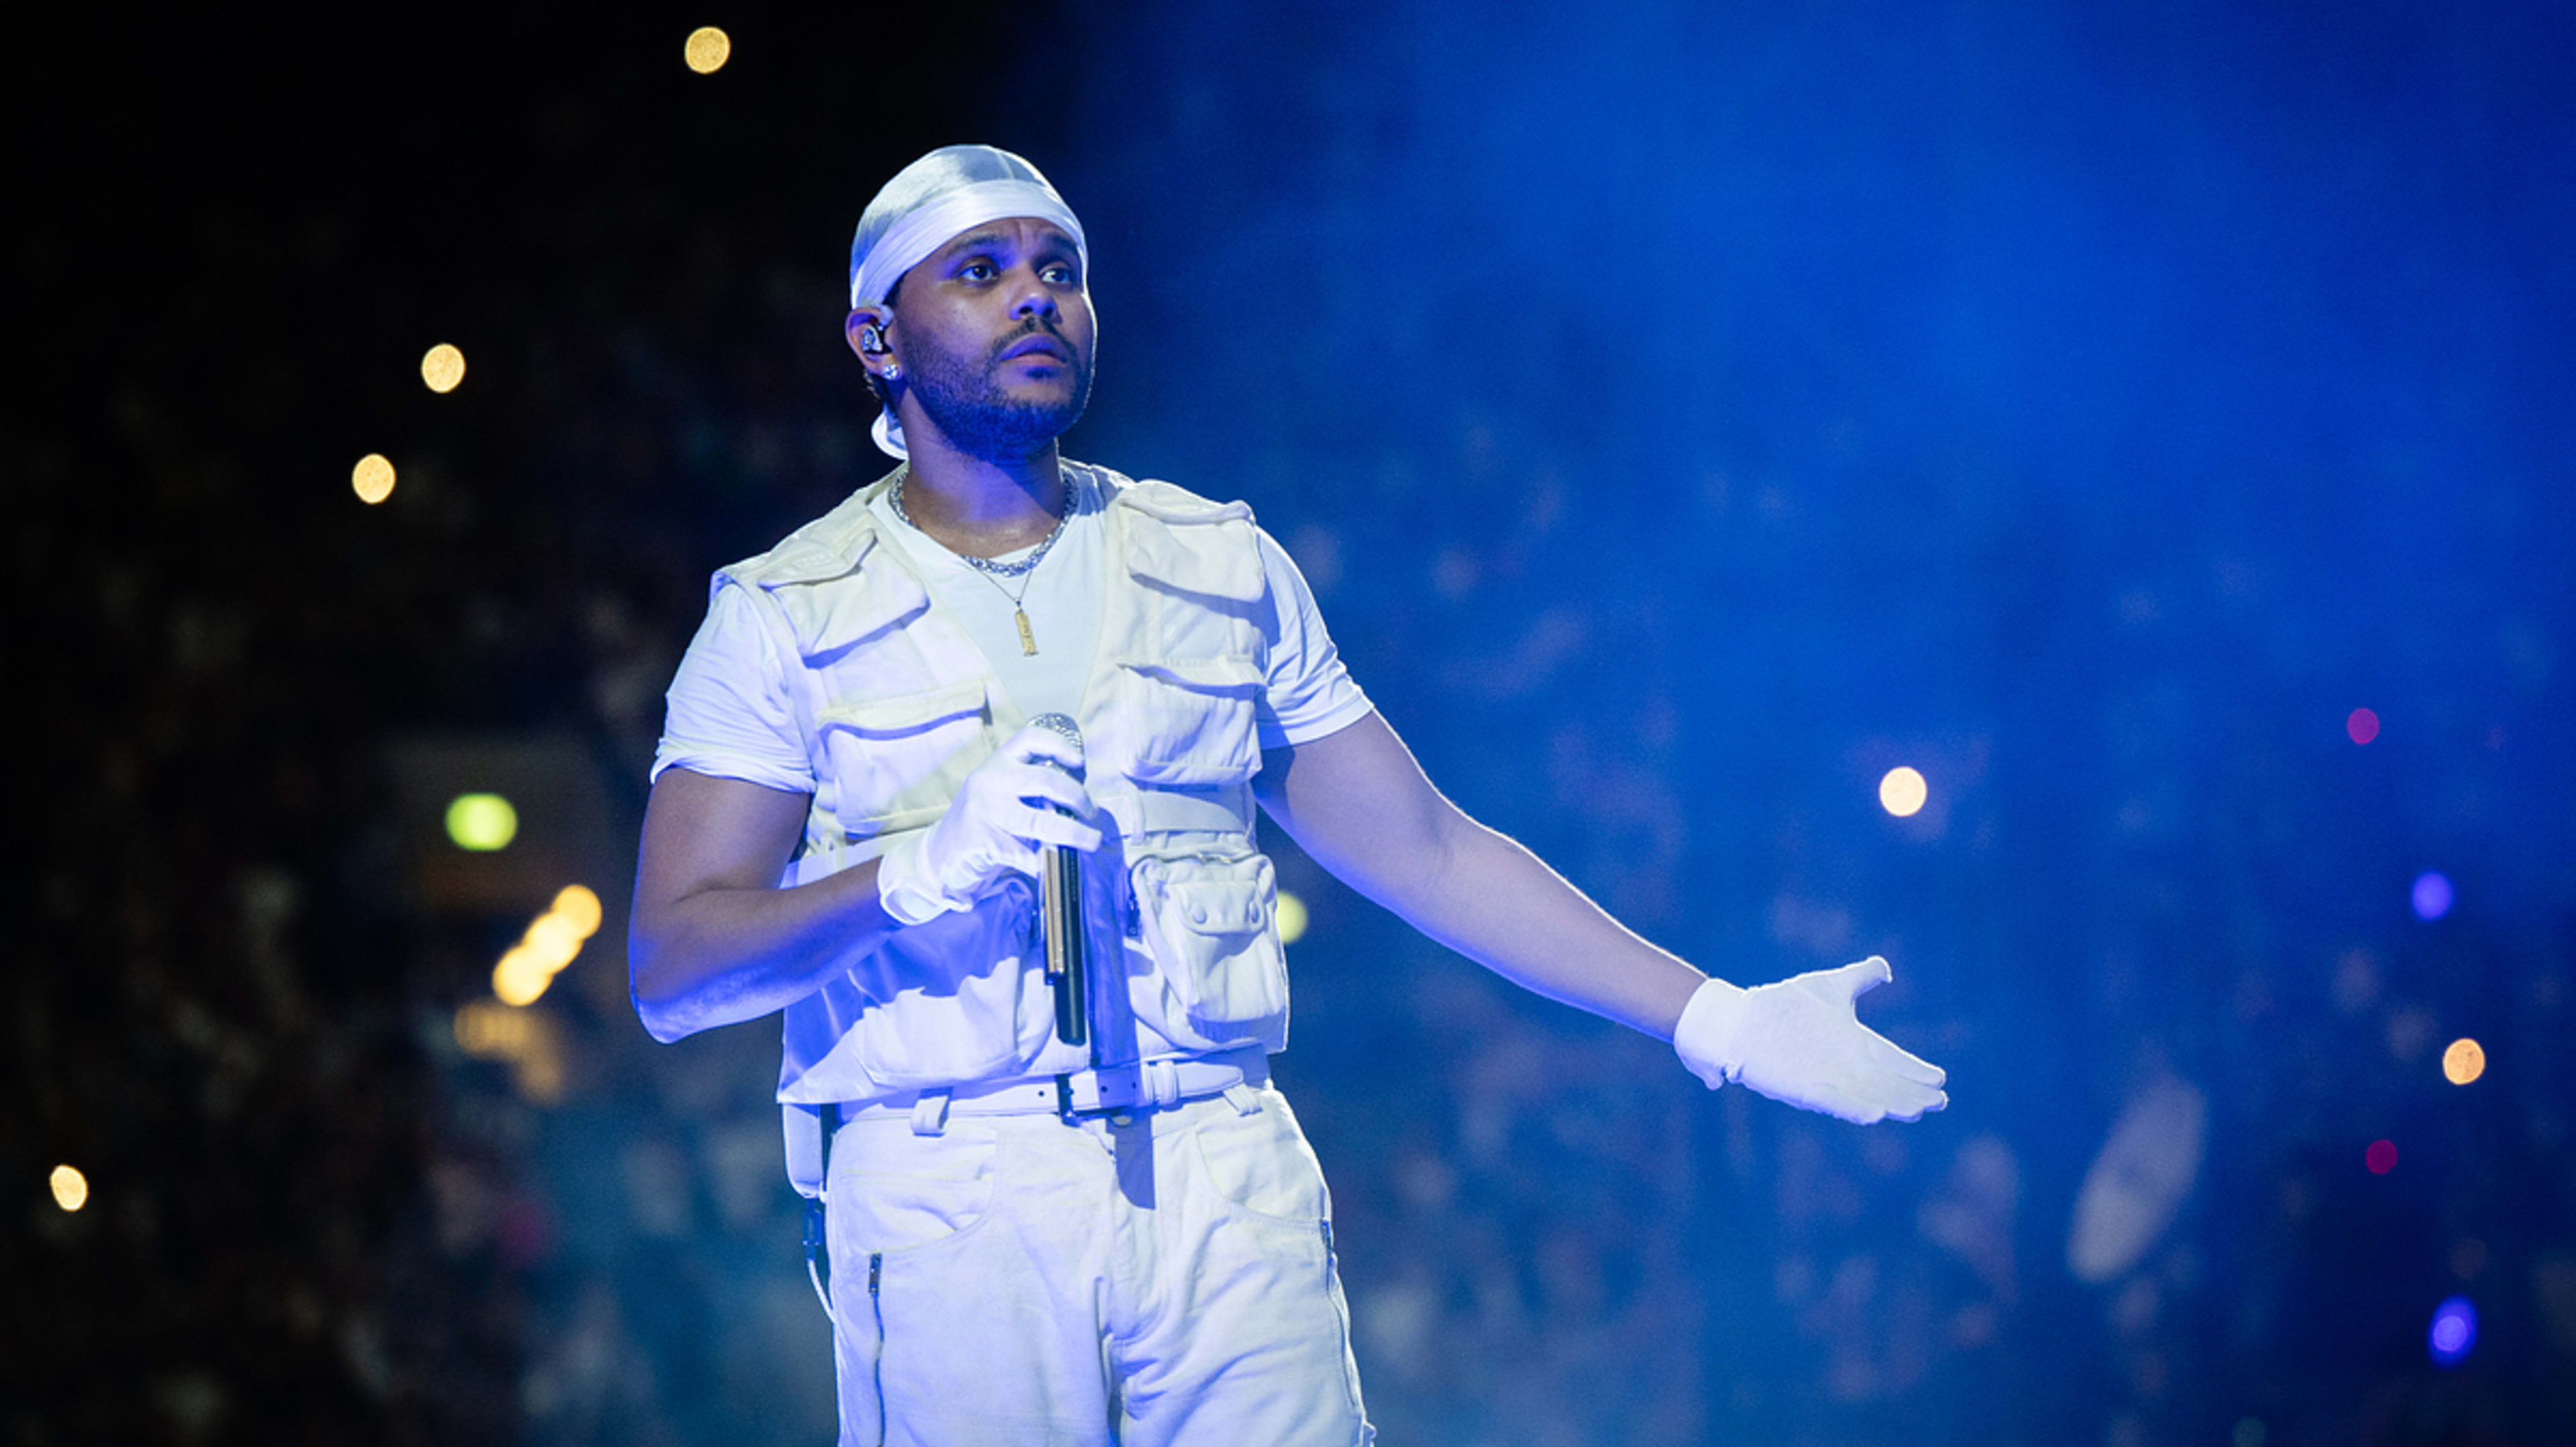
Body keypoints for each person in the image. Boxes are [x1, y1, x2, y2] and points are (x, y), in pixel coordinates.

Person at [628, 144, 1948, 1447]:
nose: (1036, 296)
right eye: (981, 271)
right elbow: (676, 967)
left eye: (1061, 270)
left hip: (1219, 1163)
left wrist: (1713, 1013)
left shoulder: (1218, 561)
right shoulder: (785, 612)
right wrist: (905, 874)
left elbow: (1427, 848)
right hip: (947, 1188)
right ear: (878, 335)